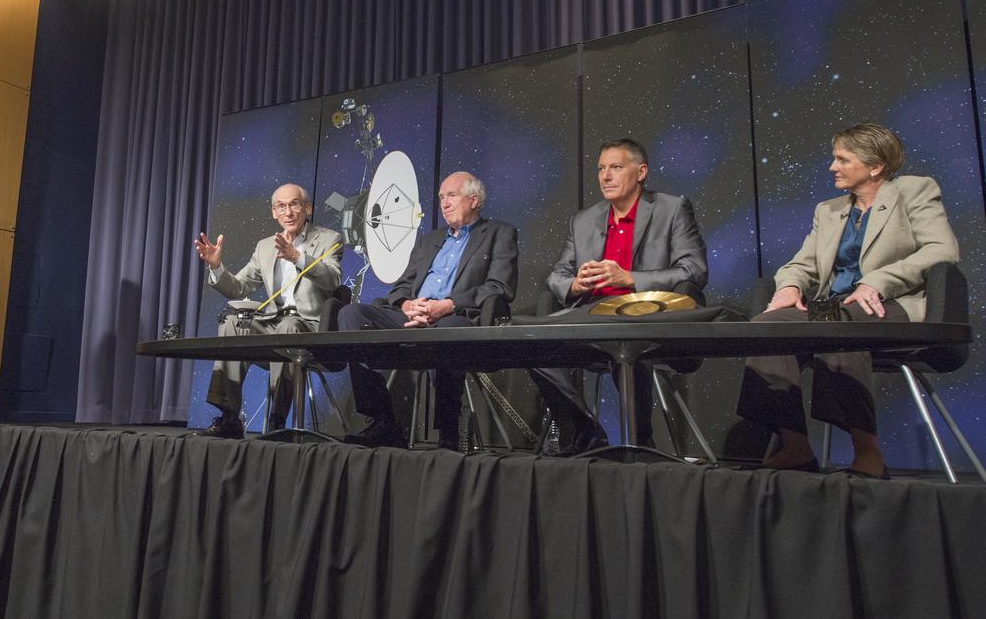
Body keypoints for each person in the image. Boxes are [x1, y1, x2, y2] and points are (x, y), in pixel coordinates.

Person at [737, 123, 958, 479]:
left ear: (875, 167)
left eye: (842, 159)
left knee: (838, 323)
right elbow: (801, 264)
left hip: (892, 305)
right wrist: (789, 287)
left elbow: (942, 250)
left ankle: (867, 452)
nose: (832, 166)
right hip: (834, 307)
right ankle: (794, 444)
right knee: (765, 326)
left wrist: (877, 281)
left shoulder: (914, 191)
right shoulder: (829, 210)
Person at [529, 139, 708, 456]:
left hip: (647, 314)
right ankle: (585, 430)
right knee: (529, 338)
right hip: (591, 313)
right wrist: (576, 285)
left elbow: (694, 270)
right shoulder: (583, 220)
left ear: (641, 172)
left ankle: (640, 438)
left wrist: (630, 278)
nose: (605, 176)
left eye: (615, 167)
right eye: (600, 169)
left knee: (624, 332)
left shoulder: (672, 209)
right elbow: (557, 275)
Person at [335, 171, 518, 449]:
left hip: (456, 318)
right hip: (412, 317)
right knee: (351, 315)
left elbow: (499, 287)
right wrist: (407, 305)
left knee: (448, 330)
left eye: (452, 196)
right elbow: (401, 286)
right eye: (441, 197)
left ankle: (448, 429)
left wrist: (447, 305)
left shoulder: (499, 233)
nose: (444, 203)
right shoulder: (429, 239)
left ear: (474, 200)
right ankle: (382, 421)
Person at [193, 184, 343, 438]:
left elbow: (333, 280)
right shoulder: (265, 247)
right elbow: (239, 288)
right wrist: (217, 267)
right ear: (274, 212)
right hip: (273, 325)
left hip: (310, 331)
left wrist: (298, 257)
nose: (289, 212)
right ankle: (229, 419)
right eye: (281, 207)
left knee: (289, 326)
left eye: (294, 204)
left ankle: (278, 421)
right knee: (231, 323)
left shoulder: (329, 239)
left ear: (307, 208)